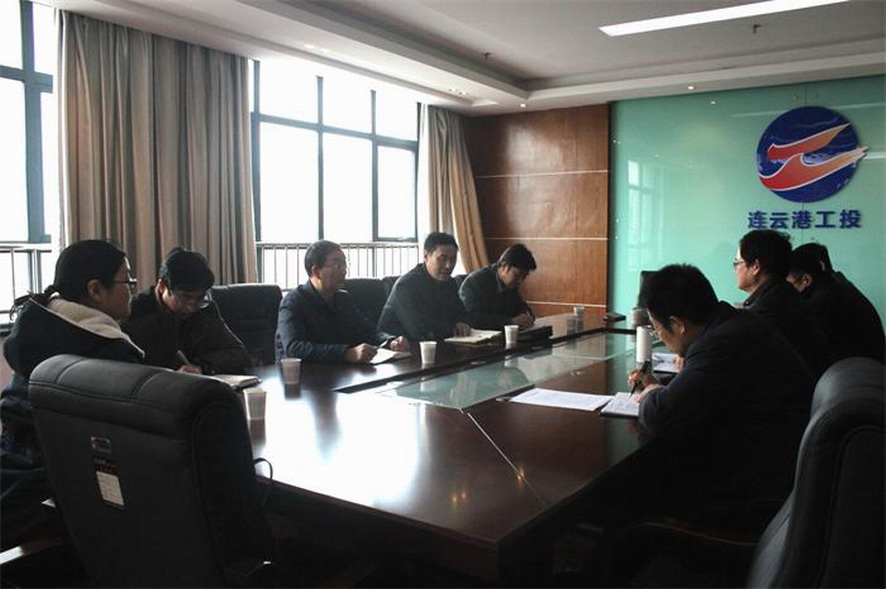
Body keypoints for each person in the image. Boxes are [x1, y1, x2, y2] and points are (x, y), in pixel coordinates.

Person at [628, 264, 813, 533]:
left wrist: (651, 395)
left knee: (632, 498)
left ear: (678, 324)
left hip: (754, 493)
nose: (660, 337)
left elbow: (662, 415)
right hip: (779, 470)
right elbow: (706, 387)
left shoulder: (719, 344)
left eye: (657, 329)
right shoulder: (735, 323)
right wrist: (658, 386)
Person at [1, 239, 144, 548]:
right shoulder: (107, 349)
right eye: (127, 280)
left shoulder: (40, 327)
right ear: (96, 290)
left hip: (12, 475)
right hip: (53, 498)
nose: (133, 288)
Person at [275, 240, 410, 364]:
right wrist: (346, 353)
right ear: (316, 271)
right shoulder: (293, 302)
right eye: (337, 265)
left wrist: (390, 341)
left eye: (345, 264)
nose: (344, 271)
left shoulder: (343, 299)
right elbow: (294, 348)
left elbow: (367, 331)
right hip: (301, 377)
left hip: (337, 373)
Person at [124, 248, 250, 374]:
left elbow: (239, 353)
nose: (192, 307)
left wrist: (202, 367)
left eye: (200, 297)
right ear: (162, 287)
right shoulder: (133, 312)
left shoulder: (205, 309)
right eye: (185, 297)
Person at [734, 230, 833, 377]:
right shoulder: (782, 295)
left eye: (737, 263)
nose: (735, 269)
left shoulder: (767, 311)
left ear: (755, 266)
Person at [788, 247, 884, 362]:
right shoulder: (836, 287)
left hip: (859, 368)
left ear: (806, 280)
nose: (786, 290)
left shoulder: (822, 300)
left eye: (789, 284)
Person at [378, 232, 472, 341]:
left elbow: (462, 314)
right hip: (399, 345)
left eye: (453, 259)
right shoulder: (406, 286)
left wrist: (462, 323)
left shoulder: (450, 283)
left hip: (438, 342)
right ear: (426, 256)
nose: (448, 265)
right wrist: (453, 327)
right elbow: (420, 331)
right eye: (442, 259)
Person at [459, 243, 536, 330]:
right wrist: (510, 321)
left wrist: (527, 315)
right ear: (504, 265)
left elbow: (519, 307)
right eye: (518, 274)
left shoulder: (510, 285)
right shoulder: (475, 283)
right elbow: (473, 319)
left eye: (524, 276)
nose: (520, 281)